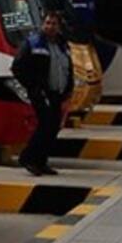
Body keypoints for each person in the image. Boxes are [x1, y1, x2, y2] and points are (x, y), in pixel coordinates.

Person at [12, 9, 73, 177]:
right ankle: (28, 158)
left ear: (59, 27)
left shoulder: (63, 45)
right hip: (42, 93)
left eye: (54, 24)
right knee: (45, 125)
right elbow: (17, 67)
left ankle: (41, 161)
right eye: (47, 23)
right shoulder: (33, 43)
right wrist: (33, 87)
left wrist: (68, 91)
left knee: (53, 127)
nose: (50, 27)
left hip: (58, 93)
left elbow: (69, 69)